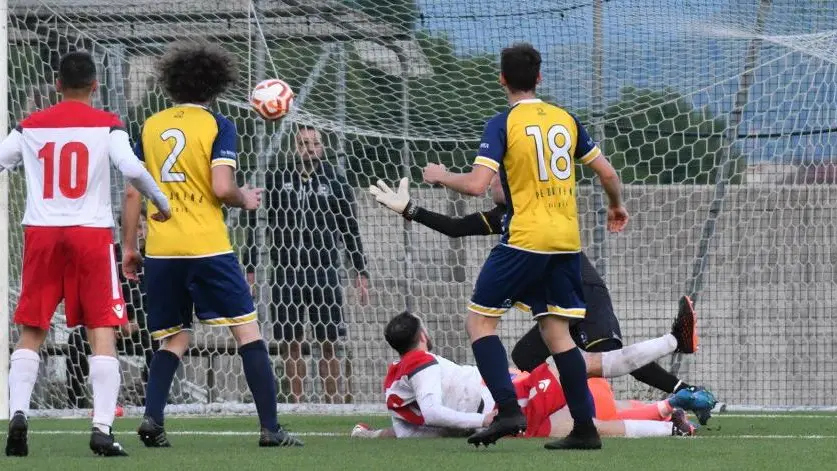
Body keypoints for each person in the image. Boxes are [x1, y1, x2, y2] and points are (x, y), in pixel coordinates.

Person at [369, 175, 712, 424]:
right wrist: (411, 210)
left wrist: (442, 176)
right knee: (526, 356)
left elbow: (473, 186)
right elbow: (457, 226)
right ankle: (552, 406)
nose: (488, 185)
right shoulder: (504, 217)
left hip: (583, 295)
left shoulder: (535, 209)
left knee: (601, 360)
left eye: (495, 178)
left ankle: (679, 371)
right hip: (554, 305)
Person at [421, 43, 629, 448]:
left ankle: (508, 409)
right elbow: (606, 172)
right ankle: (585, 429)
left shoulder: (502, 123)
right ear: (540, 78)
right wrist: (617, 206)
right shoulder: (565, 119)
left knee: (480, 323)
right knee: (558, 334)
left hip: (525, 240)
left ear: (501, 79)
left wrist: (441, 175)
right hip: (567, 243)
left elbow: (478, 185)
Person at [121, 40, 302, 448]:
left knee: (175, 337)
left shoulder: (150, 126)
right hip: (207, 246)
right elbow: (222, 187)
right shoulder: (219, 124)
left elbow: (133, 193)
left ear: (171, 85)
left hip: (162, 250)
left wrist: (129, 247)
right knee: (247, 332)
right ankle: (271, 428)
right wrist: (246, 198)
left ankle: (152, 419)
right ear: (216, 85)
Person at [1, 50, 171, 457]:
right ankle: (101, 428)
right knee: (101, 328)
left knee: (32, 328)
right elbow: (131, 169)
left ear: (57, 86)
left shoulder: (29, 126)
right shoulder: (108, 126)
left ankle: (18, 416)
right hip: (90, 234)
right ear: (95, 86)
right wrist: (162, 202)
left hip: (42, 233)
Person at [349, 312, 713, 439]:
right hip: (510, 406)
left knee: (590, 416)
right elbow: (430, 413)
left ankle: (670, 419)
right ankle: (671, 364)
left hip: (510, 396)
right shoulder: (421, 365)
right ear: (423, 336)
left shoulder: (398, 380)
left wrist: (368, 435)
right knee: (588, 406)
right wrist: (483, 418)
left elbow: (410, 429)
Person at [244, 125, 368, 404]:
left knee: (329, 342)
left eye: (313, 143)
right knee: (291, 342)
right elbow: (256, 223)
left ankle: (332, 402)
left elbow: (350, 230)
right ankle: (297, 403)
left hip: (324, 270)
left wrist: (360, 271)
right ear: (294, 148)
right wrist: (250, 267)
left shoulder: (335, 183)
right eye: (302, 143)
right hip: (286, 272)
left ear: (322, 148)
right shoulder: (278, 179)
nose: (308, 148)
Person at [67, 209, 156, 408]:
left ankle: (153, 399)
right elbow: (98, 291)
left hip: (142, 329)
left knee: (158, 339)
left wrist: (137, 324)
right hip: (109, 325)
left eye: (141, 227)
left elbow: (157, 299)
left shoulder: (156, 257)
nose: (138, 233)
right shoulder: (110, 255)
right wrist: (112, 323)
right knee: (76, 339)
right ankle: (75, 402)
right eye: (133, 228)